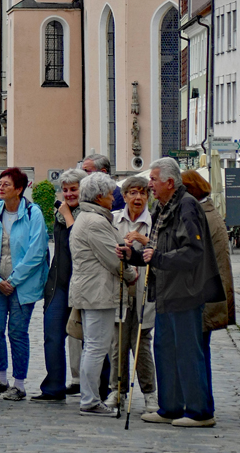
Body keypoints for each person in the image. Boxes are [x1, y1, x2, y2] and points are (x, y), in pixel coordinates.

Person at [120, 158, 224, 428]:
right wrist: (133, 255)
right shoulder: (163, 207)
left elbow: (193, 251)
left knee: (188, 352)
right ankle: (170, 407)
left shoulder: (186, 205)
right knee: (165, 349)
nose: (149, 184)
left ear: (169, 181)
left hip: (186, 291)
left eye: (153, 179)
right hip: (165, 292)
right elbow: (154, 251)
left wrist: (158, 258)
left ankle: (200, 411)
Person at [69, 171, 136, 416]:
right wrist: (131, 275)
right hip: (98, 291)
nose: (113, 197)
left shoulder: (88, 218)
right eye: (110, 193)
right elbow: (112, 257)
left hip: (93, 290)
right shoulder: (95, 222)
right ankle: (89, 400)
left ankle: (90, 398)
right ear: (99, 197)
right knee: (97, 347)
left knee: (93, 346)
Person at [0, 168, 49, 401]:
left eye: (6, 185)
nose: (0, 188)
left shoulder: (33, 214)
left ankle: (18, 384)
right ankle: (0, 379)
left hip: (23, 285)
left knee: (18, 332)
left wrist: (14, 280)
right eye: (0, 184)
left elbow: (36, 252)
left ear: (19, 189)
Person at [181, 170, 235, 421]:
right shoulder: (208, 212)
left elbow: (193, 257)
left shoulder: (201, 216)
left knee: (197, 353)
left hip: (203, 296)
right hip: (207, 294)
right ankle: (201, 405)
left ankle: (201, 409)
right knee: (199, 352)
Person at [33, 168, 86, 402]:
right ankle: (53, 386)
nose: (68, 194)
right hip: (58, 283)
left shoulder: (89, 213)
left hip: (83, 283)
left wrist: (67, 215)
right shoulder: (59, 214)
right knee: (52, 335)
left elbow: (79, 241)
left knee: (90, 338)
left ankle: (100, 388)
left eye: (73, 189)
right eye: (64, 190)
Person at [107, 174, 157, 411]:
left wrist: (143, 239)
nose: (138, 198)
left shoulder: (154, 221)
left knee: (141, 343)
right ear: (125, 196)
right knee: (118, 342)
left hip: (144, 290)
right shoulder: (114, 219)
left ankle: (149, 393)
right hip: (119, 288)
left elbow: (161, 248)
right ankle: (118, 391)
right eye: (133, 193)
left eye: (142, 193)